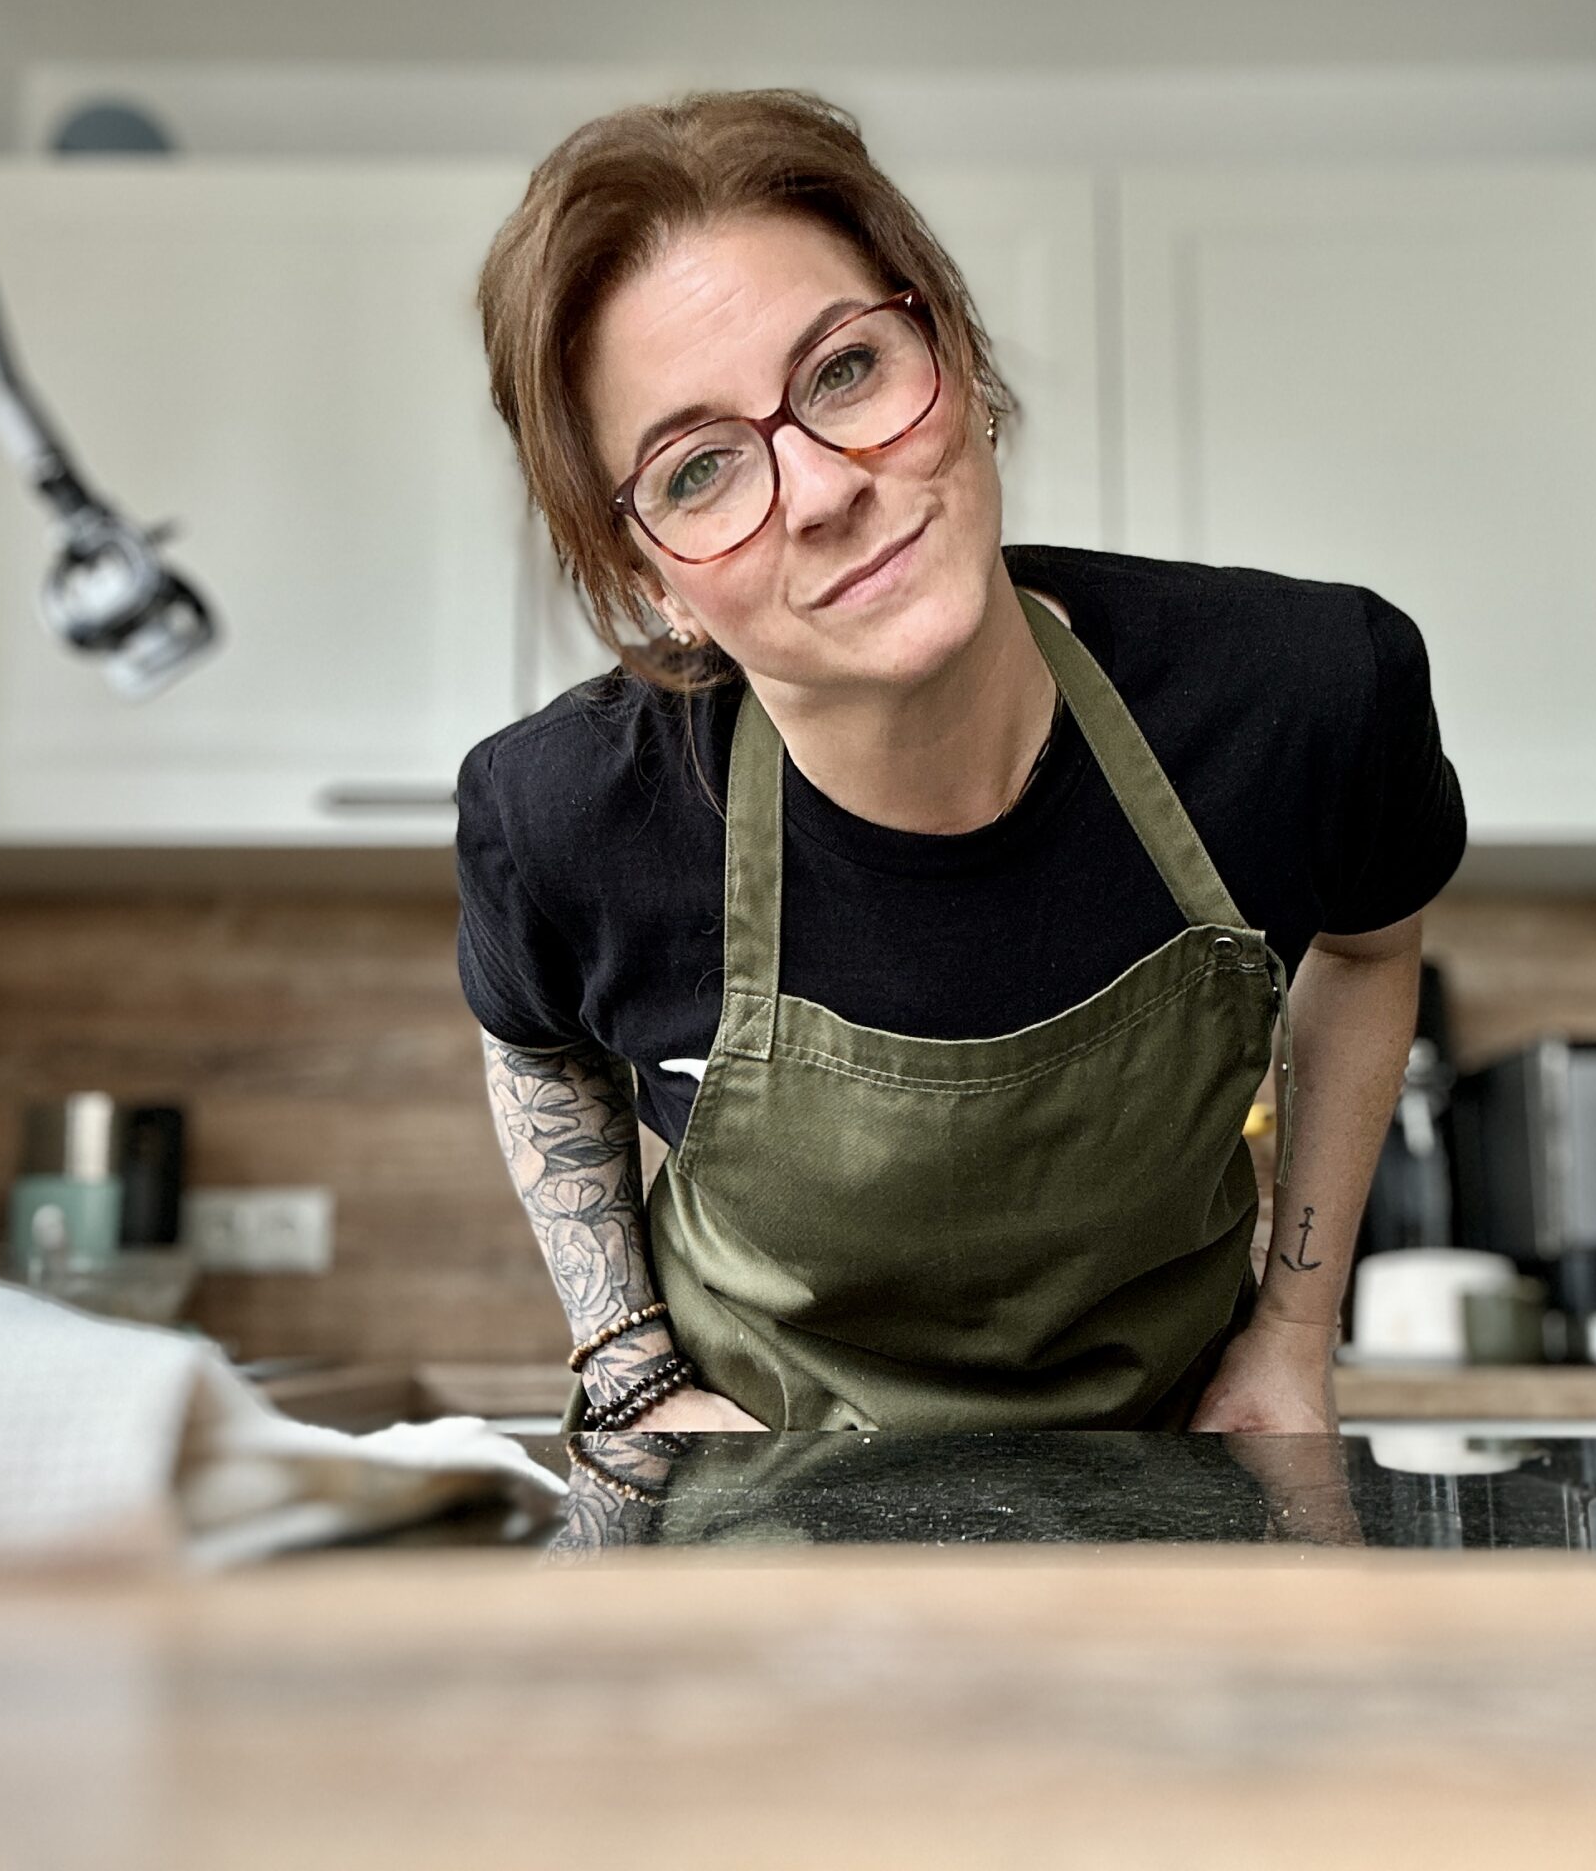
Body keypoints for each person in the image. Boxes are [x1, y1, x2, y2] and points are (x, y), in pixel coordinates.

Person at [460, 88, 1464, 1435]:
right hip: (763, 1519)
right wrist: (629, 1366)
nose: (821, 489)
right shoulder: (568, 818)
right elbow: (532, 1044)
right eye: (699, 471)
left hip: (1170, 1484)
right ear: (655, 581)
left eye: (844, 372)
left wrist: (1292, 1332)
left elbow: (1372, 948)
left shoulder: (1305, 695)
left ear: (961, 362)